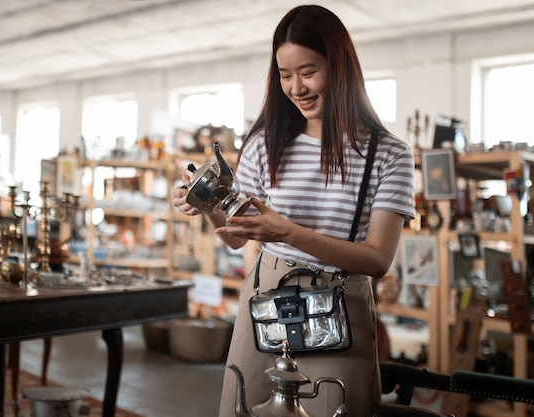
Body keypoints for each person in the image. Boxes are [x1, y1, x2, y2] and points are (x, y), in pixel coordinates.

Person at [171, 5, 415, 417]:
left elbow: (377, 260)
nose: (296, 87)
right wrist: (207, 204)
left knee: (331, 408)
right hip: (266, 291)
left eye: (308, 71)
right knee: (241, 408)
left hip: (339, 303)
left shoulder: (387, 154)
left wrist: (287, 232)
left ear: (340, 68)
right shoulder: (266, 142)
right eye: (285, 75)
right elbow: (234, 239)